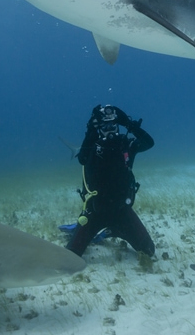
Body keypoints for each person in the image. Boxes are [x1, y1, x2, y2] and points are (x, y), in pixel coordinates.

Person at [65, 105, 155, 259]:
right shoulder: (92, 147)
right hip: (94, 212)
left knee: (148, 250)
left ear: (118, 126)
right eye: (105, 127)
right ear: (99, 129)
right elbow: (82, 159)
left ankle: (116, 230)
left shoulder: (126, 145)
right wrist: (90, 131)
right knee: (71, 256)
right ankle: (81, 229)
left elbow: (148, 142)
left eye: (113, 125)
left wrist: (128, 123)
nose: (110, 130)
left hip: (122, 211)